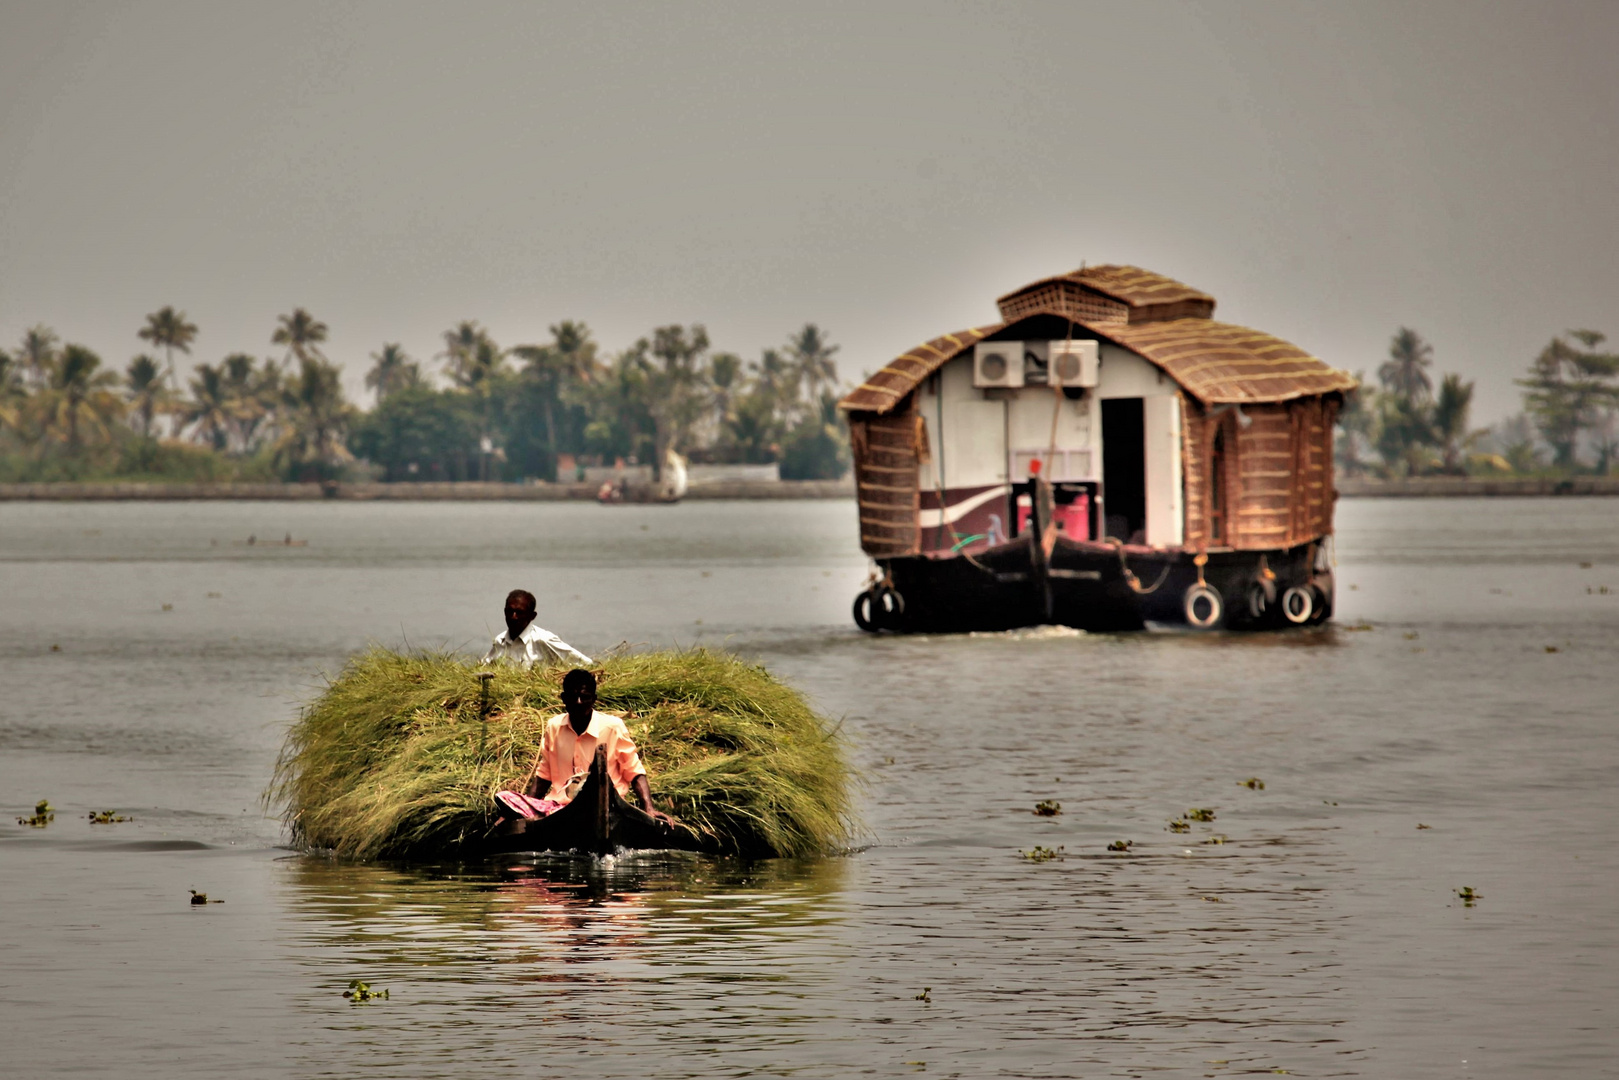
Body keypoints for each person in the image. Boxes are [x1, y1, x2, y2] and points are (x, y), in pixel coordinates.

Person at [494, 668, 671, 823]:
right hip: (560, 809)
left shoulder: (612, 727)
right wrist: (522, 810)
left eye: (584, 697)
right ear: (564, 699)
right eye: (573, 697)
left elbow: (634, 772)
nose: (578, 702)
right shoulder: (554, 727)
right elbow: (544, 775)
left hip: (605, 806)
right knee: (505, 797)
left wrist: (648, 809)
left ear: (594, 699)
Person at [482, 589, 591, 670]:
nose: (513, 617)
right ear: (504, 612)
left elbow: (586, 664)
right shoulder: (500, 641)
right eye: (510, 611)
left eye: (519, 612)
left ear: (532, 616)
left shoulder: (544, 640)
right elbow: (483, 667)